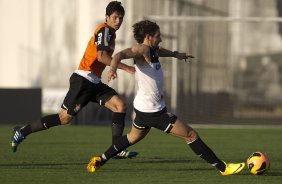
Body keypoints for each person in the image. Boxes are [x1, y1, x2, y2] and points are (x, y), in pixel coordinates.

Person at [86, 20, 245, 175]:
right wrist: (113, 69)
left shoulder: (153, 50)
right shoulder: (142, 50)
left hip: (142, 109)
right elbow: (120, 54)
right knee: (190, 135)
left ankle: (100, 159)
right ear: (148, 37)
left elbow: (161, 51)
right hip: (153, 112)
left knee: (131, 138)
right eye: (158, 36)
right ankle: (224, 168)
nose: (160, 39)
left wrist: (176, 54)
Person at [11, 1, 138, 159]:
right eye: (115, 17)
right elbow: (101, 56)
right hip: (83, 80)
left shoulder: (111, 34)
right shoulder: (104, 30)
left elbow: (104, 58)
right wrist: (126, 68)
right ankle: (22, 131)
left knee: (120, 105)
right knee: (64, 118)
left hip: (94, 82)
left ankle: (117, 150)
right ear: (107, 17)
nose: (118, 21)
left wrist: (112, 68)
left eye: (121, 18)